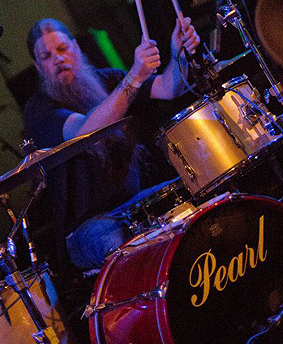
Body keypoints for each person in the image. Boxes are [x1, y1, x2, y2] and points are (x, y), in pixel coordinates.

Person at [23, 16, 199, 273]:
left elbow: (167, 88)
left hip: (134, 204)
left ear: (76, 47)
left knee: (189, 193)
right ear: (38, 67)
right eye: (46, 56)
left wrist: (179, 54)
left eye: (62, 49)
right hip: (86, 228)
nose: (58, 59)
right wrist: (135, 76)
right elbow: (86, 131)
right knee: (118, 240)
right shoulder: (38, 110)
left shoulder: (107, 79)